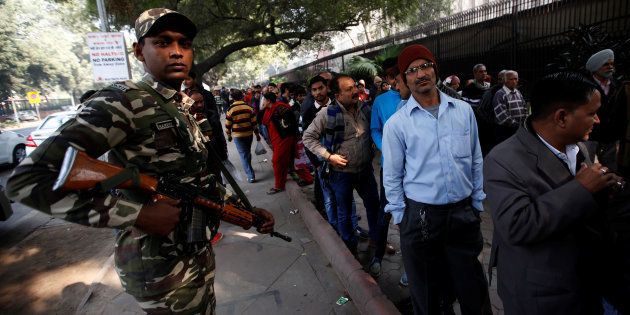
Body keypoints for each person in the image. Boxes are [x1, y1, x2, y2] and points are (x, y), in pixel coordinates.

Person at [6, 8, 275, 314]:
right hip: (158, 270)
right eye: (162, 42)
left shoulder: (180, 104)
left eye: (184, 44)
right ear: (138, 52)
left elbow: (195, 180)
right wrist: (136, 214)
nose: (176, 52)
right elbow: (28, 180)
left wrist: (245, 211)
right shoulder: (121, 101)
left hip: (194, 252)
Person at [484, 72, 627, 314]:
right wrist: (581, 188)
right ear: (561, 117)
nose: (598, 120)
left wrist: (606, 189)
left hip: (590, 284)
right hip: (544, 294)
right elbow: (517, 224)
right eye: (591, 113)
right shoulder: (502, 160)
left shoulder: (582, 146)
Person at [382, 44, 491, 315]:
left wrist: (477, 202)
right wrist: (400, 215)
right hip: (421, 217)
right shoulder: (397, 124)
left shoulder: (463, 111)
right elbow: (392, 177)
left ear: (435, 69)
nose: (420, 74)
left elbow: (476, 159)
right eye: (412, 70)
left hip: (463, 213)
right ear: (404, 79)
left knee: (472, 288)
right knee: (430, 293)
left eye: (425, 66)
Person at [303, 75, 382, 258]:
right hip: (341, 175)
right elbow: (308, 138)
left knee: (374, 206)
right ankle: (350, 249)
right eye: (349, 89)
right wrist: (329, 156)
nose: (355, 91)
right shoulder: (327, 113)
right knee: (344, 213)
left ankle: (377, 242)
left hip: (365, 171)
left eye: (355, 86)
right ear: (338, 95)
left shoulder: (365, 108)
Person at [261, 92, 296, 194]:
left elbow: (290, 123)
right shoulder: (268, 110)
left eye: (264, 100)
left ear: (268, 101)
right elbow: (261, 121)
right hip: (276, 140)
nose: (262, 102)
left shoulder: (280, 108)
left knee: (276, 161)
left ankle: (278, 186)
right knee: (283, 162)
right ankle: (281, 182)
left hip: (284, 139)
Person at [225, 89, 260, 183]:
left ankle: (250, 175)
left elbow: (228, 124)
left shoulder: (230, 109)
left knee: (244, 154)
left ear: (232, 98)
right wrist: (257, 134)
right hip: (249, 134)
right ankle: (249, 168)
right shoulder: (249, 107)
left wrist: (228, 134)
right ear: (242, 96)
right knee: (247, 152)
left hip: (238, 136)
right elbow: (254, 123)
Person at [492, 70, 528, 143]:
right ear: (505, 81)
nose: (514, 81)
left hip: (519, 129)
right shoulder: (500, 94)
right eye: (511, 79)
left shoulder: (518, 92)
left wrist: (525, 122)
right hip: (506, 131)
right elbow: (503, 117)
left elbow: (524, 108)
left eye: (516, 79)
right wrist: (518, 125)